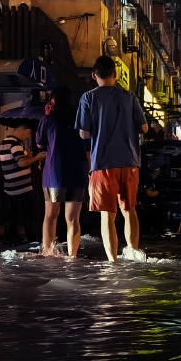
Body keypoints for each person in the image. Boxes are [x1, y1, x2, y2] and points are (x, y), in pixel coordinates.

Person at [76, 55, 149, 263]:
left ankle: (112, 261)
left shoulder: (88, 98)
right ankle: (134, 253)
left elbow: (83, 134)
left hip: (102, 162)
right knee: (129, 209)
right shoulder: (129, 96)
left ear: (93, 75)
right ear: (115, 75)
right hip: (130, 161)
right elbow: (144, 127)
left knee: (107, 214)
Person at [36, 87, 89, 257]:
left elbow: (39, 143)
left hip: (55, 173)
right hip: (77, 172)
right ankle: (72, 256)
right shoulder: (79, 119)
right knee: (73, 219)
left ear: (53, 100)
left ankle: (48, 251)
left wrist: (46, 116)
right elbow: (87, 144)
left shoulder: (49, 118)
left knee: (51, 216)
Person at [0, 121, 45, 246]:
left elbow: (13, 162)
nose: (29, 136)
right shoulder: (15, 144)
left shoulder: (4, 143)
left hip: (9, 187)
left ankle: (10, 241)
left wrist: (25, 157)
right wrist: (36, 158)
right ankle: (34, 242)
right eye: (28, 133)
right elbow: (21, 163)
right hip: (22, 188)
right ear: (20, 130)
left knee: (11, 218)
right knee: (28, 217)